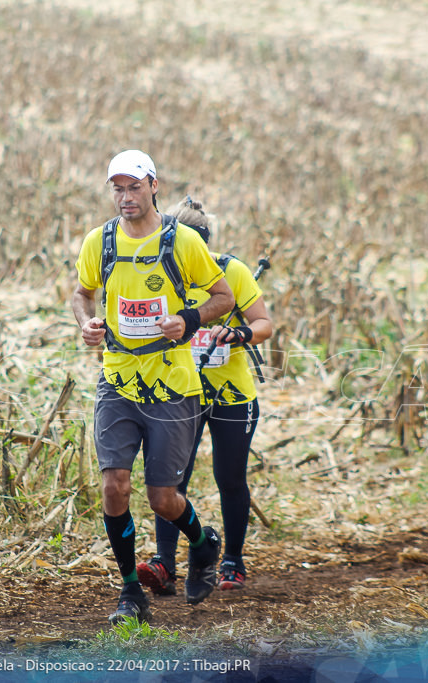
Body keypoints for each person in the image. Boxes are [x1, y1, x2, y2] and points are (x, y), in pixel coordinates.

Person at [72, 150, 235, 624]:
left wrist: (187, 319)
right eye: (117, 188)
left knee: (163, 498)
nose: (126, 197)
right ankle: (129, 594)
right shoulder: (98, 242)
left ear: (153, 186)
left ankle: (204, 545)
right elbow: (81, 293)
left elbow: (222, 297)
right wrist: (87, 324)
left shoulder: (182, 241)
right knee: (113, 486)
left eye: (134, 187)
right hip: (119, 380)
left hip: (172, 384)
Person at [136, 197, 273, 596]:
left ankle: (233, 562)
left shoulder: (232, 272)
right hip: (179, 393)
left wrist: (241, 333)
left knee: (230, 478)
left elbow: (264, 323)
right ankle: (164, 563)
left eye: (193, 248)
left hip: (232, 396)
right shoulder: (159, 271)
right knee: (170, 480)